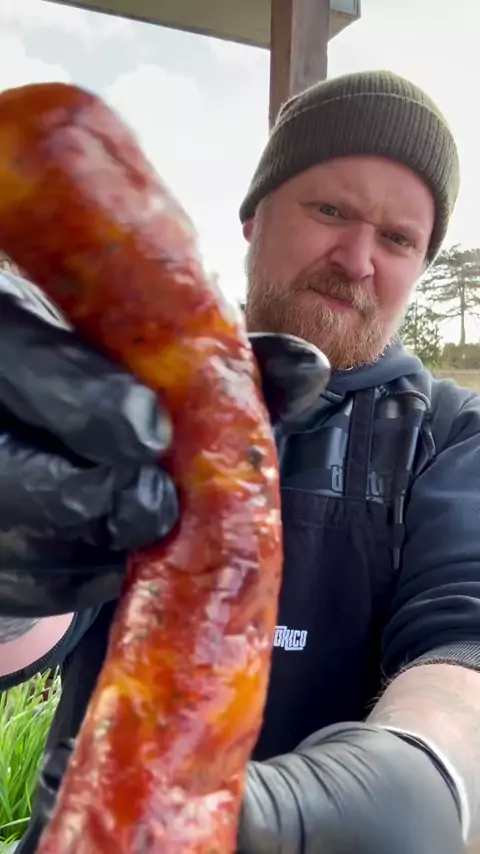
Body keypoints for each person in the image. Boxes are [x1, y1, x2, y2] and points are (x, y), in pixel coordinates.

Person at [0, 70, 479, 854]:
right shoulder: (121, 393)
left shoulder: (455, 435)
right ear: (254, 218)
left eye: (398, 239)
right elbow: (36, 631)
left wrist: (432, 769)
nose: (357, 259)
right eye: (330, 210)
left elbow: (466, 639)